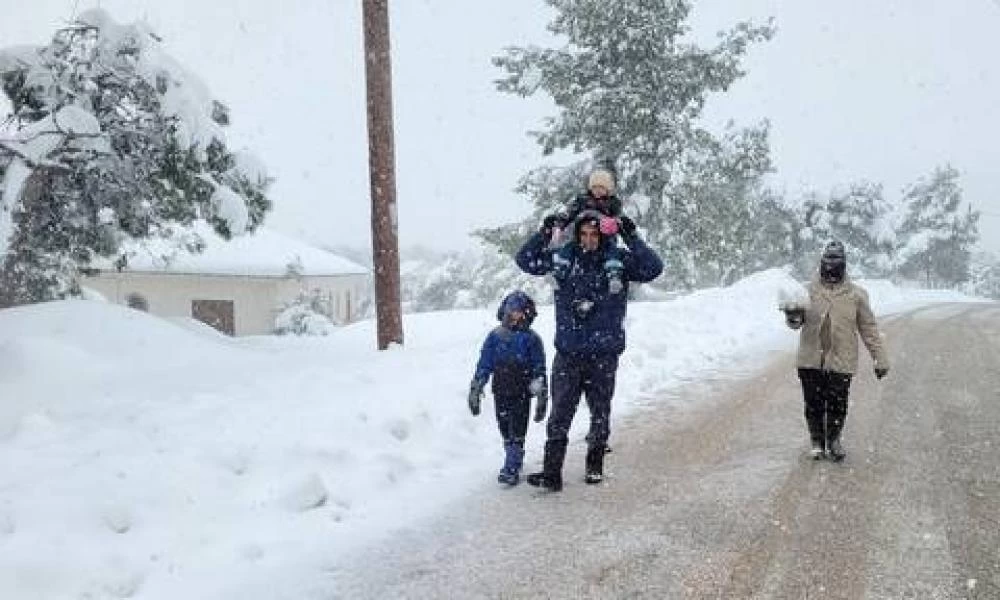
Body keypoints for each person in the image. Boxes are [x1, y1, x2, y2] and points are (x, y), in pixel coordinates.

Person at [515, 209, 663, 491]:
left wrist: (630, 235)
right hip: (569, 353)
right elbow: (525, 259)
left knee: (600, 411)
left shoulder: (618, 261)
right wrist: (546, 231)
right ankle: (551, 473)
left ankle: (595, 465)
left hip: (604, 353)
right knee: (560, 414)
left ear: (602, 235)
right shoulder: (564, 259)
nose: (589, 239)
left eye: (594, 234)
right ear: (576, 234)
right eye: (583, 233)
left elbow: (653, 268)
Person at [783, 241, 890, 461]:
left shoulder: (857, 295)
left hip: (842, 359)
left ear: (843, 265)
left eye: (836, 262)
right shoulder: (806, 291)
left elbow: (868, 328)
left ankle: (833, 439)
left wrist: (880, 358)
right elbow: (796, 323)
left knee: (837, 403)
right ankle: (816, 441)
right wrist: (792, 317)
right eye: (827, 262)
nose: (831, 268)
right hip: (810, 359)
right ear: (821, 263)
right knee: (813, 403)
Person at [468, 290, 548, 485]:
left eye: (520, 312)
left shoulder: (532, 339)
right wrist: (477, 386)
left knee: (518, 428)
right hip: (501, 390)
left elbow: (539, 368)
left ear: (528, 314)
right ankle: (513, 456)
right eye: (511, 311)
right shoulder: (495, 337)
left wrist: (541, 395)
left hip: (522, 392)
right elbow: (485, 362)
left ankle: (511, 466)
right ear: (504, 311)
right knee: (504, 428)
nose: (515, 316)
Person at [545, 168, 628, 294]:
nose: (598, 191)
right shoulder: (583, 200)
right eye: (595, 187)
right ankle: (559, 271)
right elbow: (569, 213)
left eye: (601, 188)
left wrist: (615, 224)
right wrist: (560, 224)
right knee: (568, 248)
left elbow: (618, 219)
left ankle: (614, 275)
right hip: (582, 235)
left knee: (612, 252)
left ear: (608, 189)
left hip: (605, 236)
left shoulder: (612, 203)